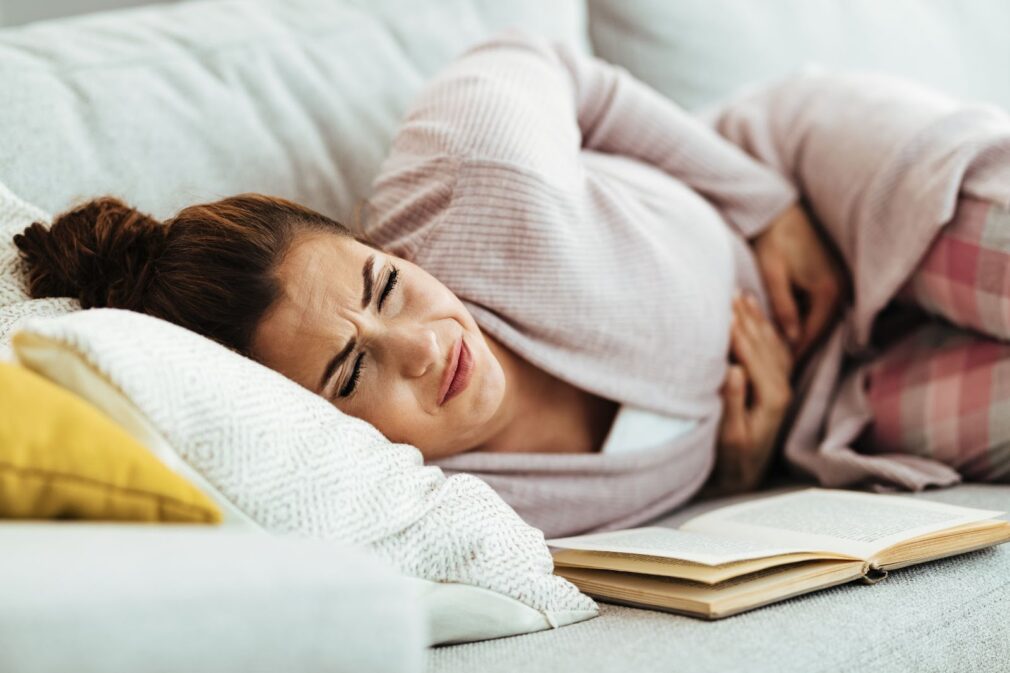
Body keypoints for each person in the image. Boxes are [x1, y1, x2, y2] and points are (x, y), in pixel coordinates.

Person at [13, 31, 1009, 536]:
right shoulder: (472, 499)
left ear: (383, 241)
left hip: (818, 188)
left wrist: (764, 207)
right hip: (823, 399)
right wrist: (738, 466)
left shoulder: (461, 186)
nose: (421, 342)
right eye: (354, 373)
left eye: (385, 284)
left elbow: (544, 62)